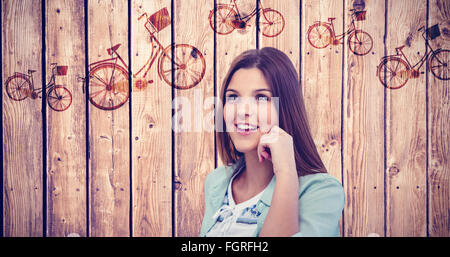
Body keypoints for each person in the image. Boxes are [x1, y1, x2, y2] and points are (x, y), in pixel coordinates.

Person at [200, 47, 344, 237]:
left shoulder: (323, 192)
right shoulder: (217, 181)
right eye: (233, 97)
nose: (243, 110)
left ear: (285, 107)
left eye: (261, 97)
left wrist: (286, 173)